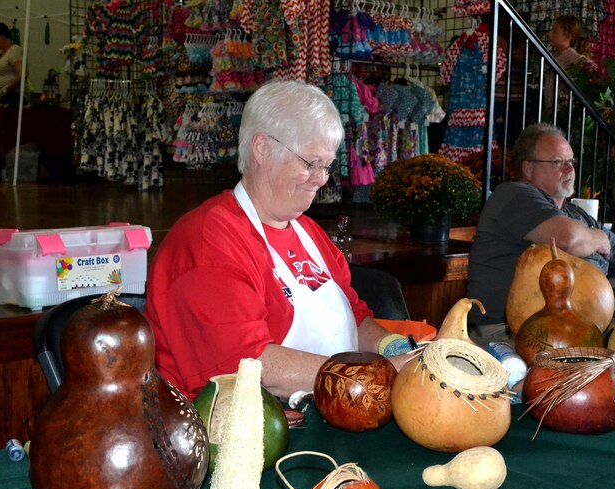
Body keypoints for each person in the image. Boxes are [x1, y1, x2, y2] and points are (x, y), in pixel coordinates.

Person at [145, 81, 414, 402]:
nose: (321, 179)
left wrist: (394, 348)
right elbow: (248, 368)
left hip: (332, 403)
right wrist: (379, 375)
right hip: (238, 430)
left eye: (327, 166)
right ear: (261, 148)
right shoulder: (209, 242)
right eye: (310, 163)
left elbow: (354, 319)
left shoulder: (310, 233)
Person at [467, 122, 615, 344]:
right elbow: (568, 240)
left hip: (578, 333)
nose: (569, 169)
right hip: (508, 335)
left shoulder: (577, 216)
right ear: (528, 168)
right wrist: (598, 237)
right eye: (558, 162)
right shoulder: (513, 195)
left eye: (571, 161)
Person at [543, 14, 595, 108]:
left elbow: (584, 61)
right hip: (551, 107)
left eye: (555, 31)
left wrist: (587, 64)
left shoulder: (569, 53)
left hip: (562, 108)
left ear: (567, 37)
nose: (550, 34)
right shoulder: (555, 56)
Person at [0, 22, 24, 105]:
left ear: (2, 36)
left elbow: (22, 73)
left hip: (10, 99)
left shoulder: (14, 51)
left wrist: (7, 89)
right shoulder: (0, 55)